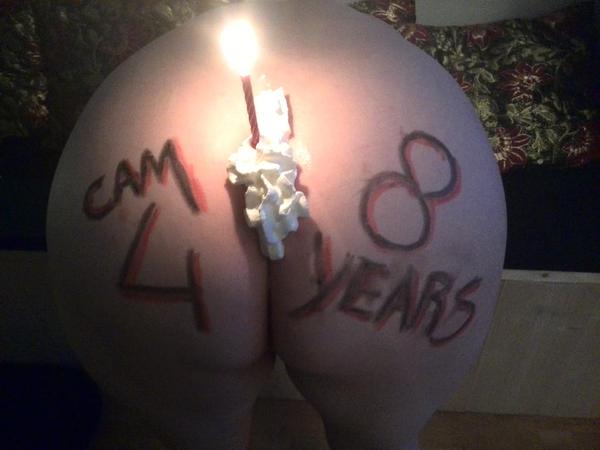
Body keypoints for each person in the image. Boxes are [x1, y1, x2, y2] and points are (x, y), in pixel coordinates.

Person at [47, 1, 506, 449]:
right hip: (408, 118)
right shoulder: (410, 76)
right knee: (382, 436)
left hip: (143, 125)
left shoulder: (146, 74)